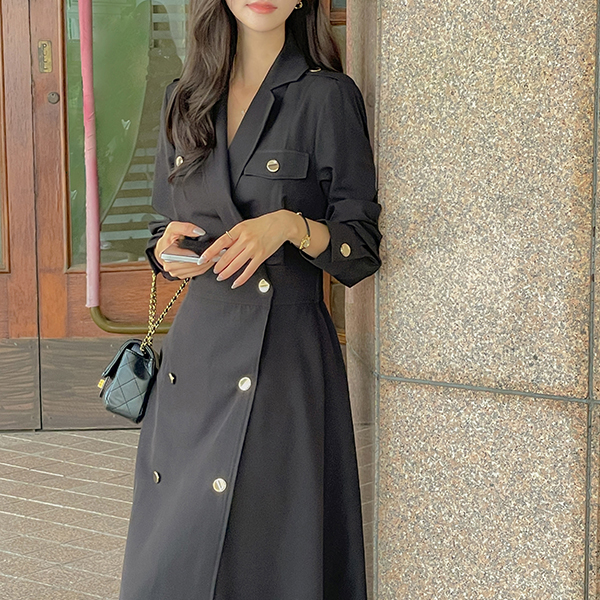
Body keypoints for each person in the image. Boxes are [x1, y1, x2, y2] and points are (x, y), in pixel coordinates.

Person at [118, 1, 383, 599]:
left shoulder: (326, 97)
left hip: (283, 361)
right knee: (169, 558)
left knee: (268, 554)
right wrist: (164, 249)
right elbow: (165, 225)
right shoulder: (183, 100)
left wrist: (288, 226)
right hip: (195, 365)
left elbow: (361, 247)